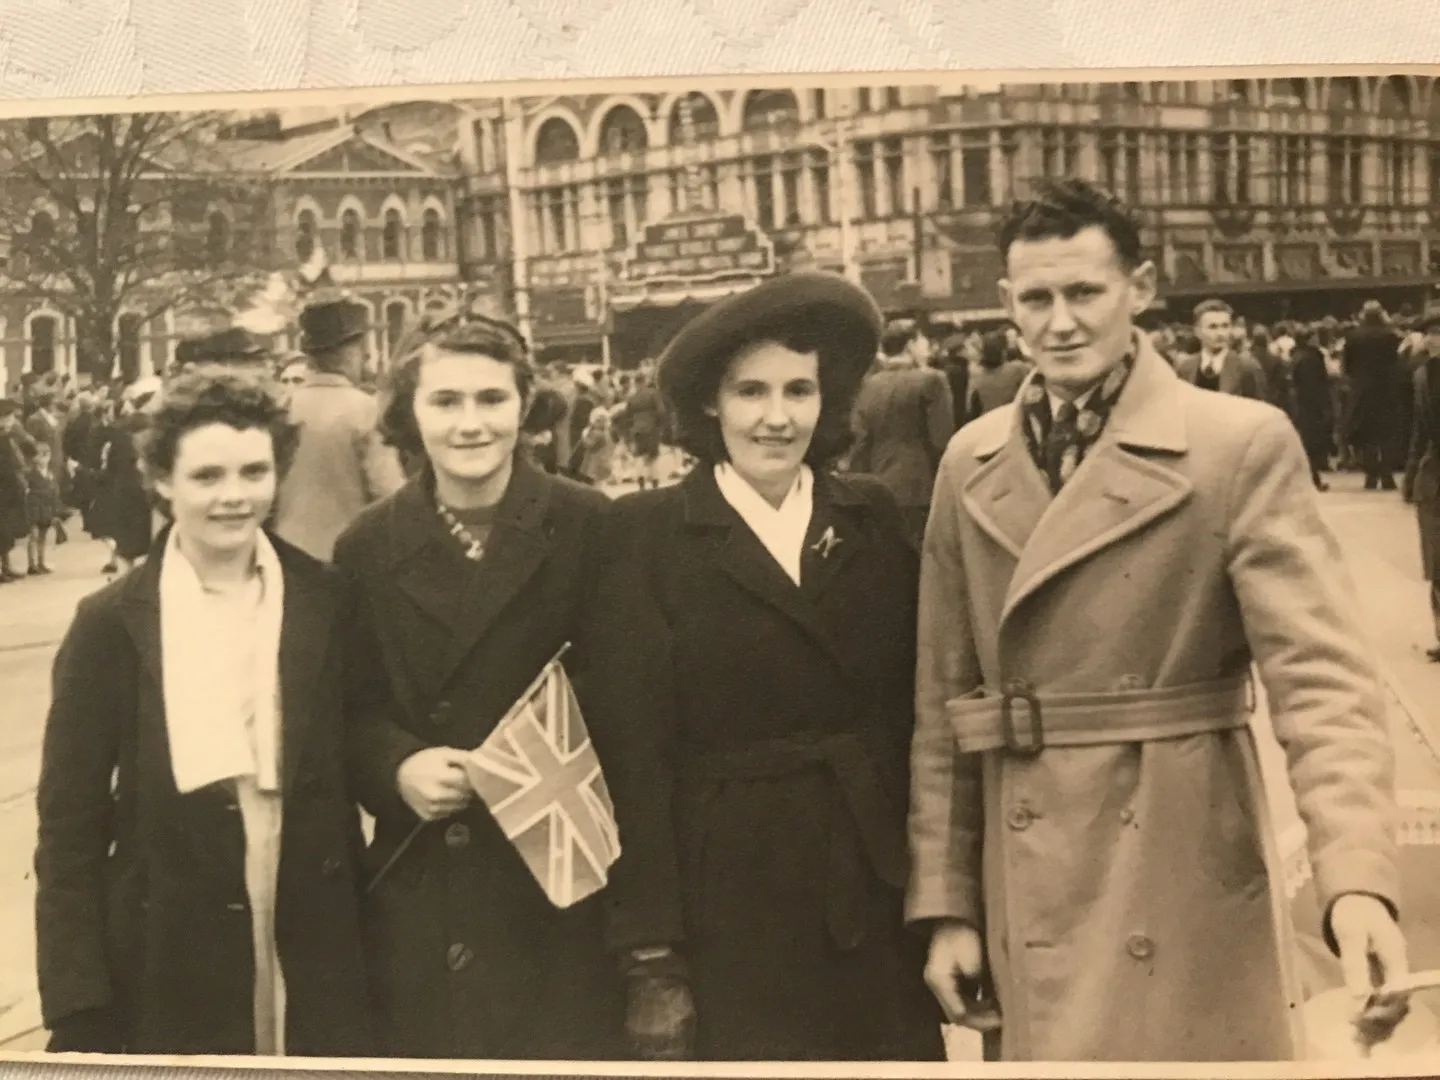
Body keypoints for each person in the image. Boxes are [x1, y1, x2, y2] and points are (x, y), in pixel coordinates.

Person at [910, 178, 1406, 1062]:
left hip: (1178, 855)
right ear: (1005, 306)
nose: (1060, 322)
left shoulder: (1237, 444)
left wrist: (1357, 883)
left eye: (1085, 292)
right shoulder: (969, 460)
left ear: (1140, 289)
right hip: (1028, 876)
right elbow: (945, 705)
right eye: (1037, 298)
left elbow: (1323, 685)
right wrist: (948, 902)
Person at [586, 272, 946, 1062]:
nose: (777, 418)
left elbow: (915, 717)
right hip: (728, 904)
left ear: (829, 399)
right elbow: (632, 756)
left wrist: (941, 899)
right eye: (750, 391)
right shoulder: (644, 536)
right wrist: (651, 951)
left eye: (799, 390)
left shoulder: (871, 515)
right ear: (711, 405)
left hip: (872, 890)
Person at [34, 371, 374, 1056]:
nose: (234, 496)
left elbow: (363, 739)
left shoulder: (325, 599)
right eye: (207, 476)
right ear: (163, 481)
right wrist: (78, 1001)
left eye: (255, 471)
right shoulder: (111, 623)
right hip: (169, 933)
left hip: (311, 913)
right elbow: (68, 830)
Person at [333, 312, 624, 1060]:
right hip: (427, 892)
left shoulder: (591, 525)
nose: (471, 424)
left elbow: (638, 708)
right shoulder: (366, 544)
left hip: (562, 889)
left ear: (525, 406)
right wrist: (396, 766)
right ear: (408, 411)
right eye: (446, 401)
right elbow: (346, 709)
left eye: (492, 399)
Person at [272, 297, 405, 562]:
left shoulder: (281, 409)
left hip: (285, 553)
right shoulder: (366, 410)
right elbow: (389, 493)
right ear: (350, 355)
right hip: (348, 554)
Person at [848, 323, 956, 549]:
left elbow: (859, 441)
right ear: (910, 346)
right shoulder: (932, 380)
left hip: (878, 483)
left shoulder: (868, 385)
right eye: (922, 341)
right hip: (920, 484)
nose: (926, 346)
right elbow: (942, 440)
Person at [1402, 311, 1440, 662]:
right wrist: (1411, 475)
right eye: (1430, 334)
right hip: (1434, 474)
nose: (1434, 340)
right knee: (1436, 560)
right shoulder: (1421, 377)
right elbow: (1419, 432)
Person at [1343, 301, 1404, 491]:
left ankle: (1371, 475)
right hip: (1387, 390)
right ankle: (1387, 476)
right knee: (1386, 433)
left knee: (1366, 434)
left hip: (1362, 390)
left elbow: (1347, 365)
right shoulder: (1390, 336)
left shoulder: (1354, 337)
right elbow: (1397, 362)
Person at [1175, 298, 1268, 399]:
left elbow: (1260, 408)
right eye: (1213, 327)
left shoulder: (1246, 367)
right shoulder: (1186, 367)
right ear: (1197, 331)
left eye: (1225, 326)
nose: (1220, 333)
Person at [25, 440, 61, 574]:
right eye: (41, 455)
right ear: (35, 457)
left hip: (46, 509)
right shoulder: (29, 473)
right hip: (34, 508)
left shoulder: (51, 473)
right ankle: (32, 564)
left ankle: (41, 562)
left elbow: (55, 492)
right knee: (33, 536)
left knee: (43, 536)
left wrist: (55, 510)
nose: (44, 458)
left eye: (47, 454)